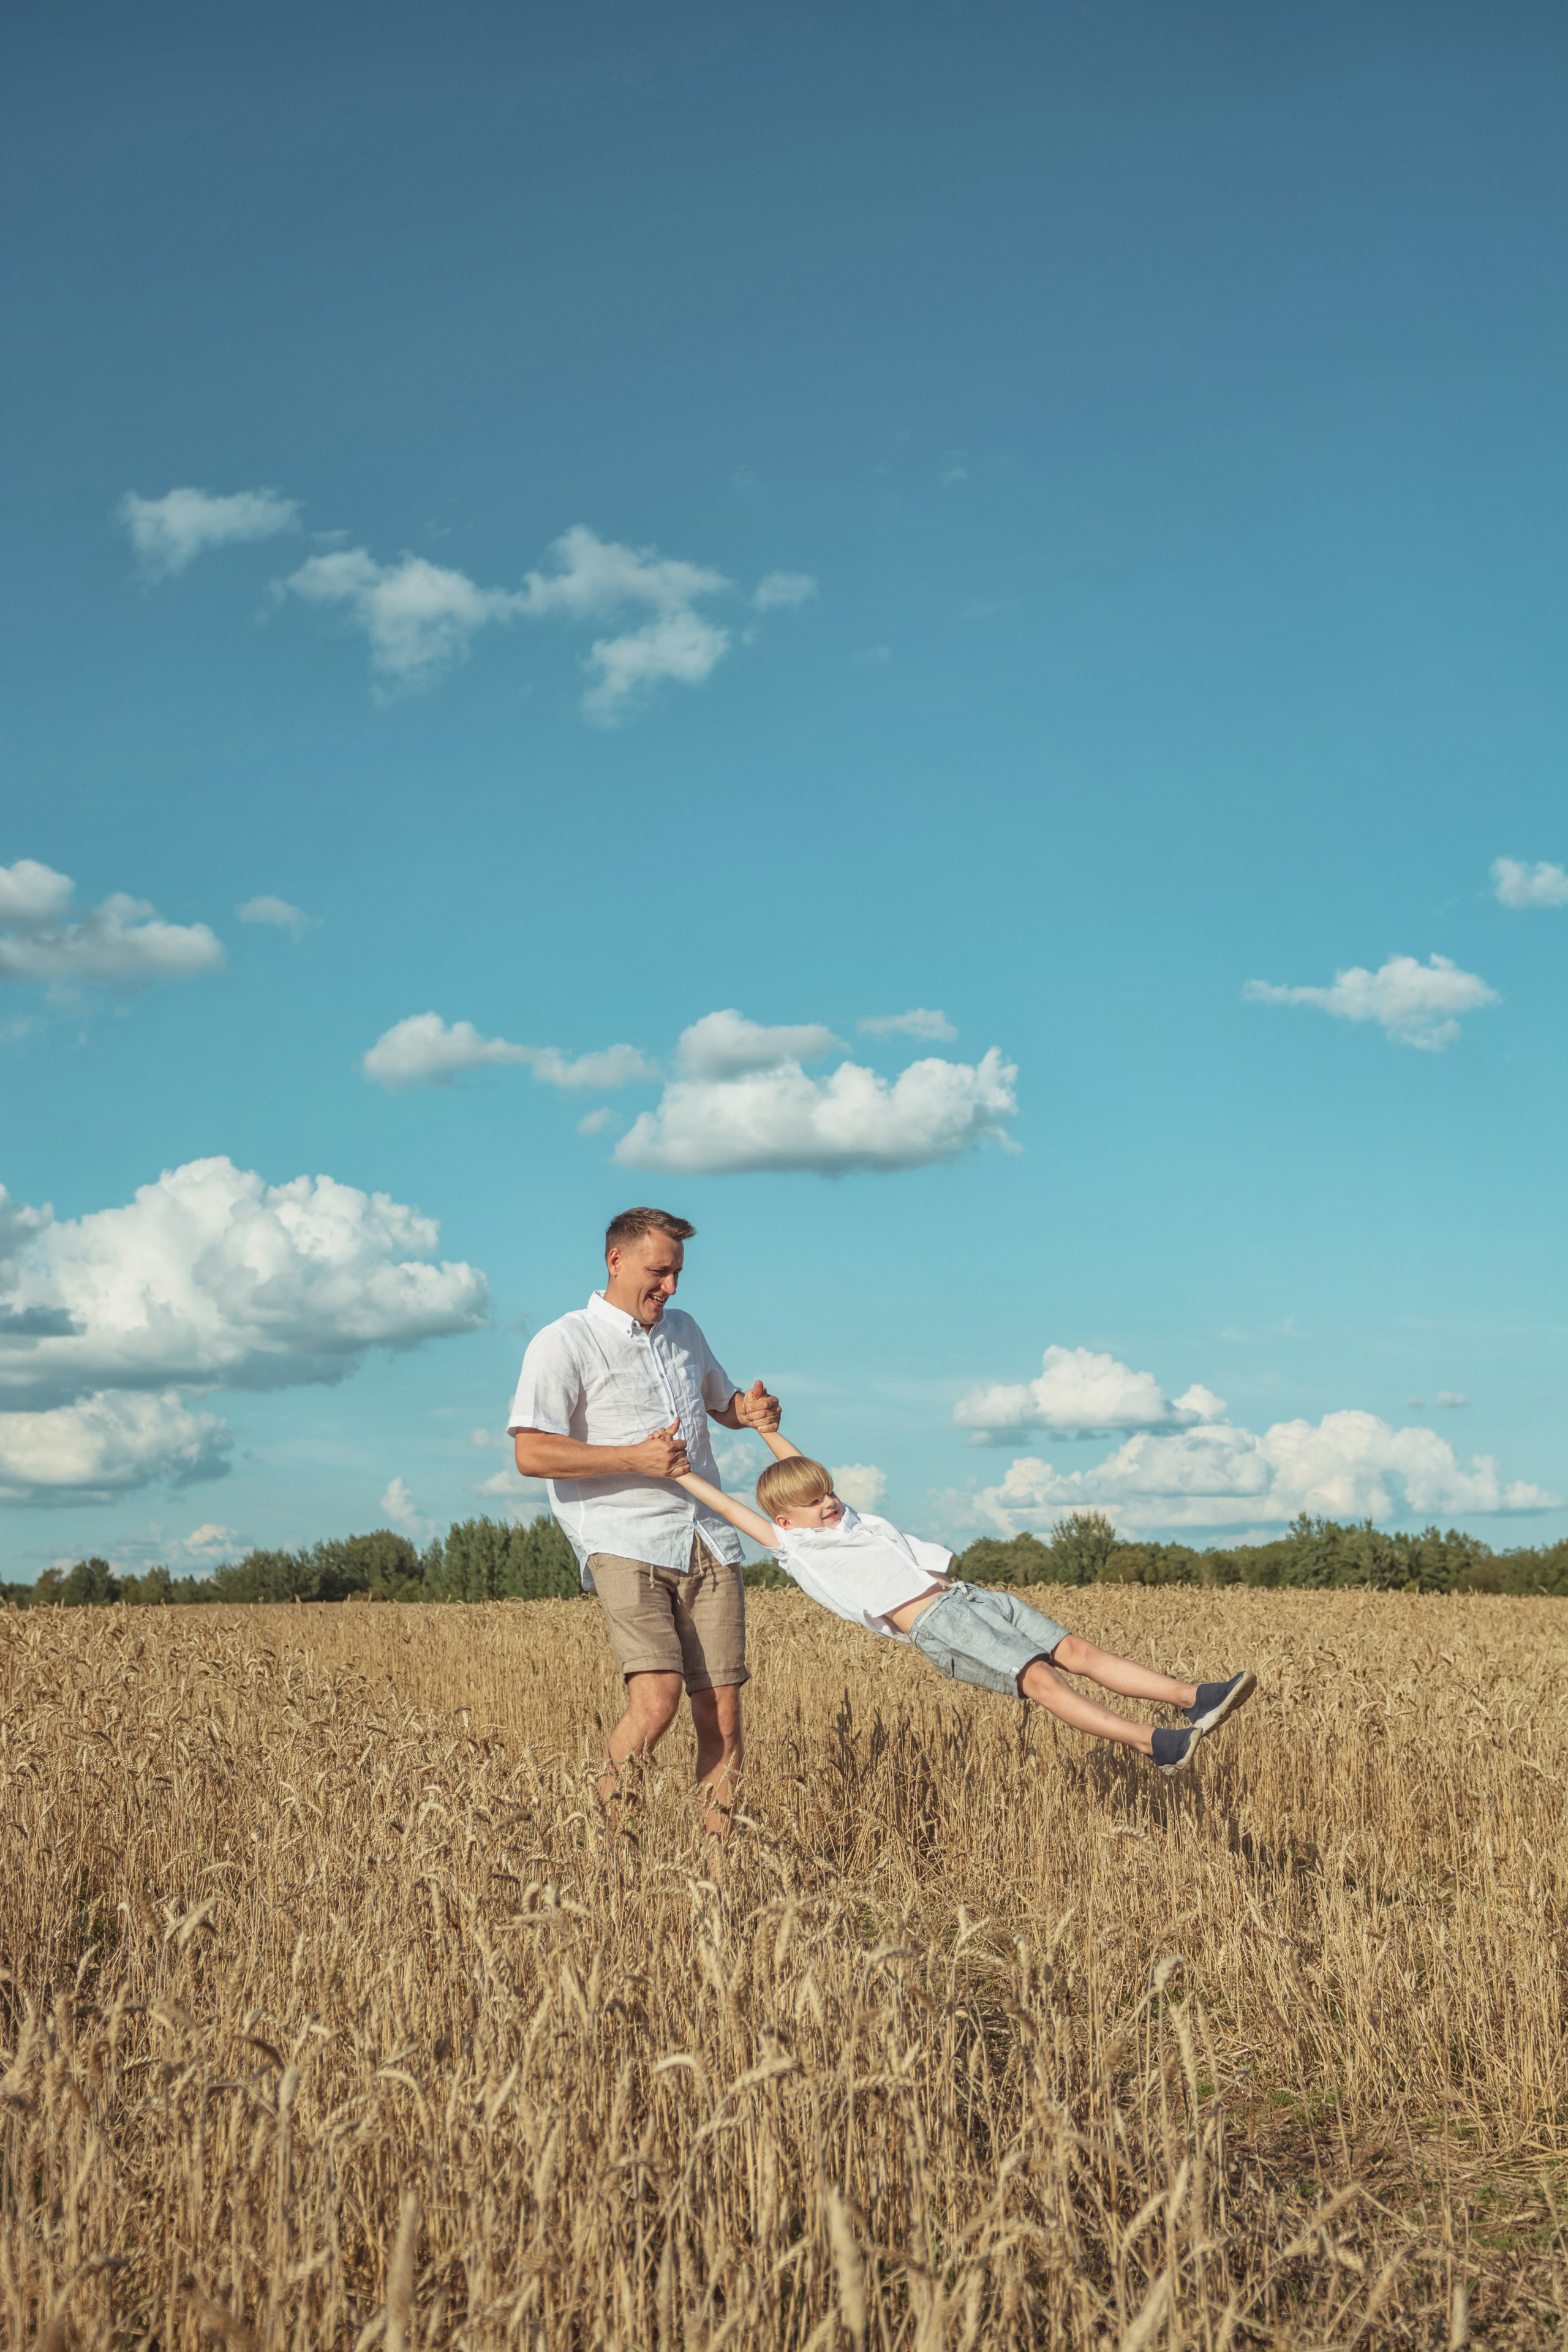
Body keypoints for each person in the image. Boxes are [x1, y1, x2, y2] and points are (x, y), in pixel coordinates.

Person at [668, 1430, 1256, 1775]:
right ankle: (1154, 1744)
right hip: (938, 1624)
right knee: (1043, 1683)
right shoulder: (798, 1548)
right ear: (785, 1522)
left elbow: (801, 1468)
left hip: (970, 1596)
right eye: (815, 1503)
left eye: (830, 1494)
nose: (830, 1505)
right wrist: (681, 1473)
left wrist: (770, 1429)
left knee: (1074, 1650)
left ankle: (1194, 1697)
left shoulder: (852, 1519)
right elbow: (731, 1511)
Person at [508, 1207, 780, 1833]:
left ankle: (715, 1871)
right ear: (616, 1261)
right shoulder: (563, 1341)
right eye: (659, 1272)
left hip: (708, 1535)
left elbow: (723, 1404)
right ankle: (613, 1856)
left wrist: (752, 1409)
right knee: (656, 1703)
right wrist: (635, 1457)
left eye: (678, 1273)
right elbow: (531, 1452)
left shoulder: (685, 1330)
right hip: (624, 1539)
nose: (672, 1288)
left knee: (723, 1715)